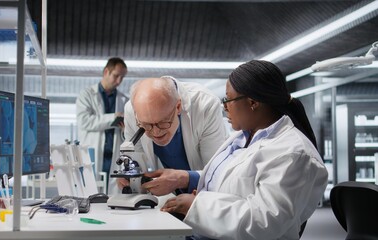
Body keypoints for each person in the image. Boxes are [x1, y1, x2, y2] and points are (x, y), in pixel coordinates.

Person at [159, 60, 328, 239]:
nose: (224, 108)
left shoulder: (293, 153)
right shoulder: (242, 137)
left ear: (253, 102)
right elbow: (233, 181)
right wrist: (190, 183)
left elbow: (264, 221)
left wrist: (198, 205)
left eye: (228, 100)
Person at [120, 76, 228, 195]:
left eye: (163, 122)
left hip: (204, 194)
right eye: (147, 125)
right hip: (167, 196)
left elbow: (217, 171)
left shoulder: (205, 105)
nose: (156, 132)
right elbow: (136, 159)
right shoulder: (131, 110)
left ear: (178, 107)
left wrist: (182, 179)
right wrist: (129, 177)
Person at [76, 57, 128, 194]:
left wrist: (124, 129)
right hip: (94, 155)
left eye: (122, 77)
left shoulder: (125, 100)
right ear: (106, 72)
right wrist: (114, 117)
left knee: (112, 200)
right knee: (90, 198)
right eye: (116, 76)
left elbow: (128, 136)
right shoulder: (86, 95)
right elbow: (84, 121)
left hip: (114, 157)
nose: (119, 81)